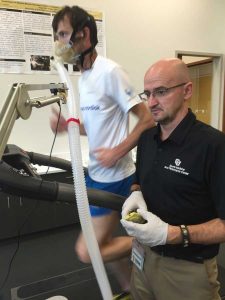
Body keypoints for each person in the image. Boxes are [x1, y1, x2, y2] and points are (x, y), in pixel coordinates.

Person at [50, 5, 153, 298]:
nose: (59, 43)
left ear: (84, 35)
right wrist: (67, 126)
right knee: (106, 244)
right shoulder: (86, 76)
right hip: (96, 173)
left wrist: (118, 151)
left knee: (88, 251)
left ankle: (148, 243)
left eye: (63, 35)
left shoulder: (110, 72)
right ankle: (128, 289)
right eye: (57, 36)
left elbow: (145, 119)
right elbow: (97, 124)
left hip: (116, 177)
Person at [121, 58, 225, 300]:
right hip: (142, 257)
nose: (152, 102)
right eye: (147, 94)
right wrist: (135, 191)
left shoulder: (213, 146)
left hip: (186, 269)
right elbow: (140, 176)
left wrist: (172, 234)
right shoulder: (147, 137)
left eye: (161, 92)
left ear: (187, 91)